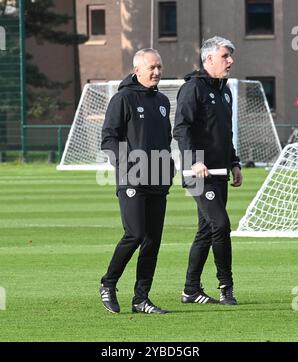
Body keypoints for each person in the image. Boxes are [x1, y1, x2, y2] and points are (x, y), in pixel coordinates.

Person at [99, 48, 175, 314]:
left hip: (158, 180)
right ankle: (108, 284)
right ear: (137, 70)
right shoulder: (123, 99)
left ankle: (141, 298)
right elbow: (108, 138)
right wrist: (125, 166)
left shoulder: (164, 102)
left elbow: (165, 140)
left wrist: (169, 167)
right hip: (132, 179)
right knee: (135, 234)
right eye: (152, 67)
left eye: (159, 67)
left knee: (152, 240)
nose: (156, 72)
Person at [173, 36, 243, 305]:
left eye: (230, 56)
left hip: (219, 172)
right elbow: (181, 128)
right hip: (197, 173)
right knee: (221, 225)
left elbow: (225, 133)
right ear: (209, 59)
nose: (231, 61)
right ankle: (227, 288)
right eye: (226, 56)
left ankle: (191, 290)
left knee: (206, 230)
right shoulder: (193, 88)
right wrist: (193, 160)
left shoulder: (225, 90)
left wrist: (234, 162)